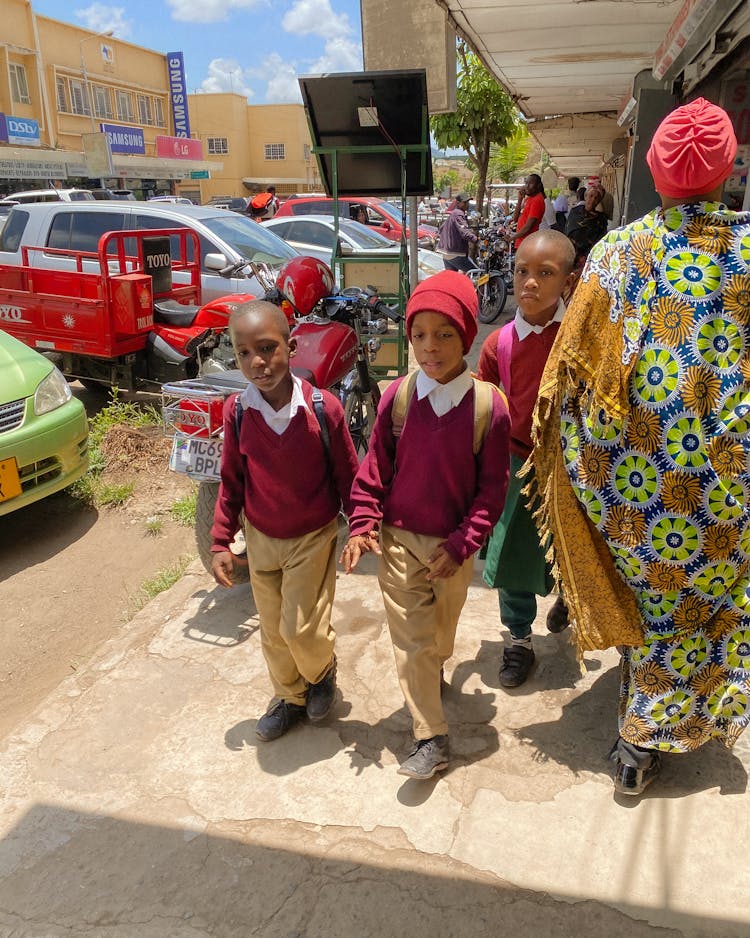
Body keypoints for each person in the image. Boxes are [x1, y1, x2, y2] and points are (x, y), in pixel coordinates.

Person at [531, 97, 750, 796]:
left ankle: (639, 740)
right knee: (717, 603)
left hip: (641, 497)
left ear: (655, 174)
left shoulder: (620, 253)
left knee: (656, 608)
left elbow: (571, 376)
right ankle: (714, 708)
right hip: (735, 489)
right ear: (727, 172)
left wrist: (592, 468)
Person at [340, 271, 511, 779]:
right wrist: (362, 523)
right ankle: (431, 737)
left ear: (466, 334)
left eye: (444, 335)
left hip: (452, 548)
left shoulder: (488, 408)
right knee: (412, 641)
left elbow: (491, 491)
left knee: (439, 635)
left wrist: (463, 544)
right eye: (418, 335)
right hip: (397, 541)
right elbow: (374, 468)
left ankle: (434, 666)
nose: (429, 348)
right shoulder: (397, 397)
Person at [211, 299, 359, 742]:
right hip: (261, 537)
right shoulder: (237, 412)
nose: (258, 362)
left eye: (268, 348)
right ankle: (290, 696)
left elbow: (349, 475)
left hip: (311, 535)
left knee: (300, 627)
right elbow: (231, 481)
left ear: (291, 347)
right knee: (274, 629)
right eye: (244, 353)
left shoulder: (322, 409)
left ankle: (321, 671)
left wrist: (363, 525)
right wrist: (221, 541)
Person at [477, 230, 576, 687]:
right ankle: (518, 639)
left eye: (545, 273)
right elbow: (485, 407)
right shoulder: (499, 343)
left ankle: (571, 599)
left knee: (572, 547)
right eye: (522, 272)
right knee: (512, 550)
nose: (530, 282)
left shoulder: (576, 340)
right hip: (517, 463)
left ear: (568, 282)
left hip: (569, 466)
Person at [564, 185, 608, 267]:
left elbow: (602, 240)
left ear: (599, 201)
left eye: (596, 198)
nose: (592, 200)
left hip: (591, 258)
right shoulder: (575, 212)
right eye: (591, 196)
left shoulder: (601, 219)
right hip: (572, 254)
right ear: (585, 196)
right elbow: (569, 232)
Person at [436, 191, 478, 272]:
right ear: (458, 203)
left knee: (452, 280)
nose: (467, 204)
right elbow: (465, 232)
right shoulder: (459, 213)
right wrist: (477, 240)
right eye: (465, 202)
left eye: (467, 202)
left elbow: (441, 229)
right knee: (476, 274)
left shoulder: (453, 214)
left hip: (446, 253)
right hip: (455, 253)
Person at [511, 173, 546, 249]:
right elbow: (515, 219)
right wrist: (520, 200)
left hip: (528, 244)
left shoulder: (537, 200)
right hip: (521, 242)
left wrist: (512, 238)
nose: (526, 186)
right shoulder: (528, 199)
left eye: (530, 183)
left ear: (538, 186)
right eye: (526, 183)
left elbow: (528, 227)